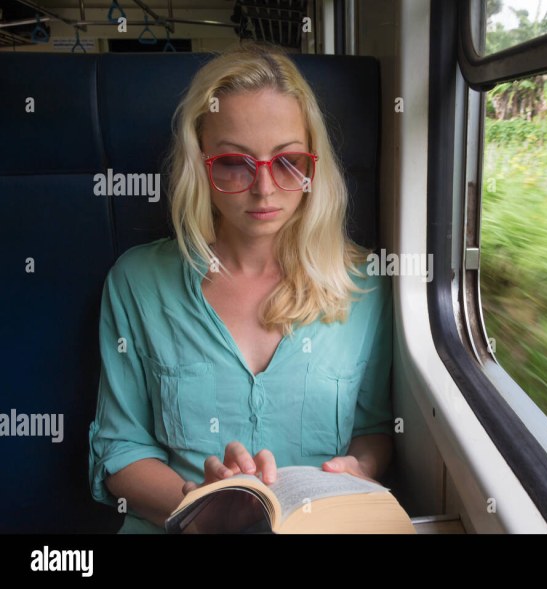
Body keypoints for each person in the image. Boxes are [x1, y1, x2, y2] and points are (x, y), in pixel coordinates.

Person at [88, 43, 394, 533]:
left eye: (288, 161)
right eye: (235, 163)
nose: (265, 189)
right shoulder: (137, 281)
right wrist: (200, 509)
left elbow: (374, 429)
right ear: (200, 166)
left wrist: (360, 469)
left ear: (315, 166)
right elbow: (121, 449)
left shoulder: (364, 286)